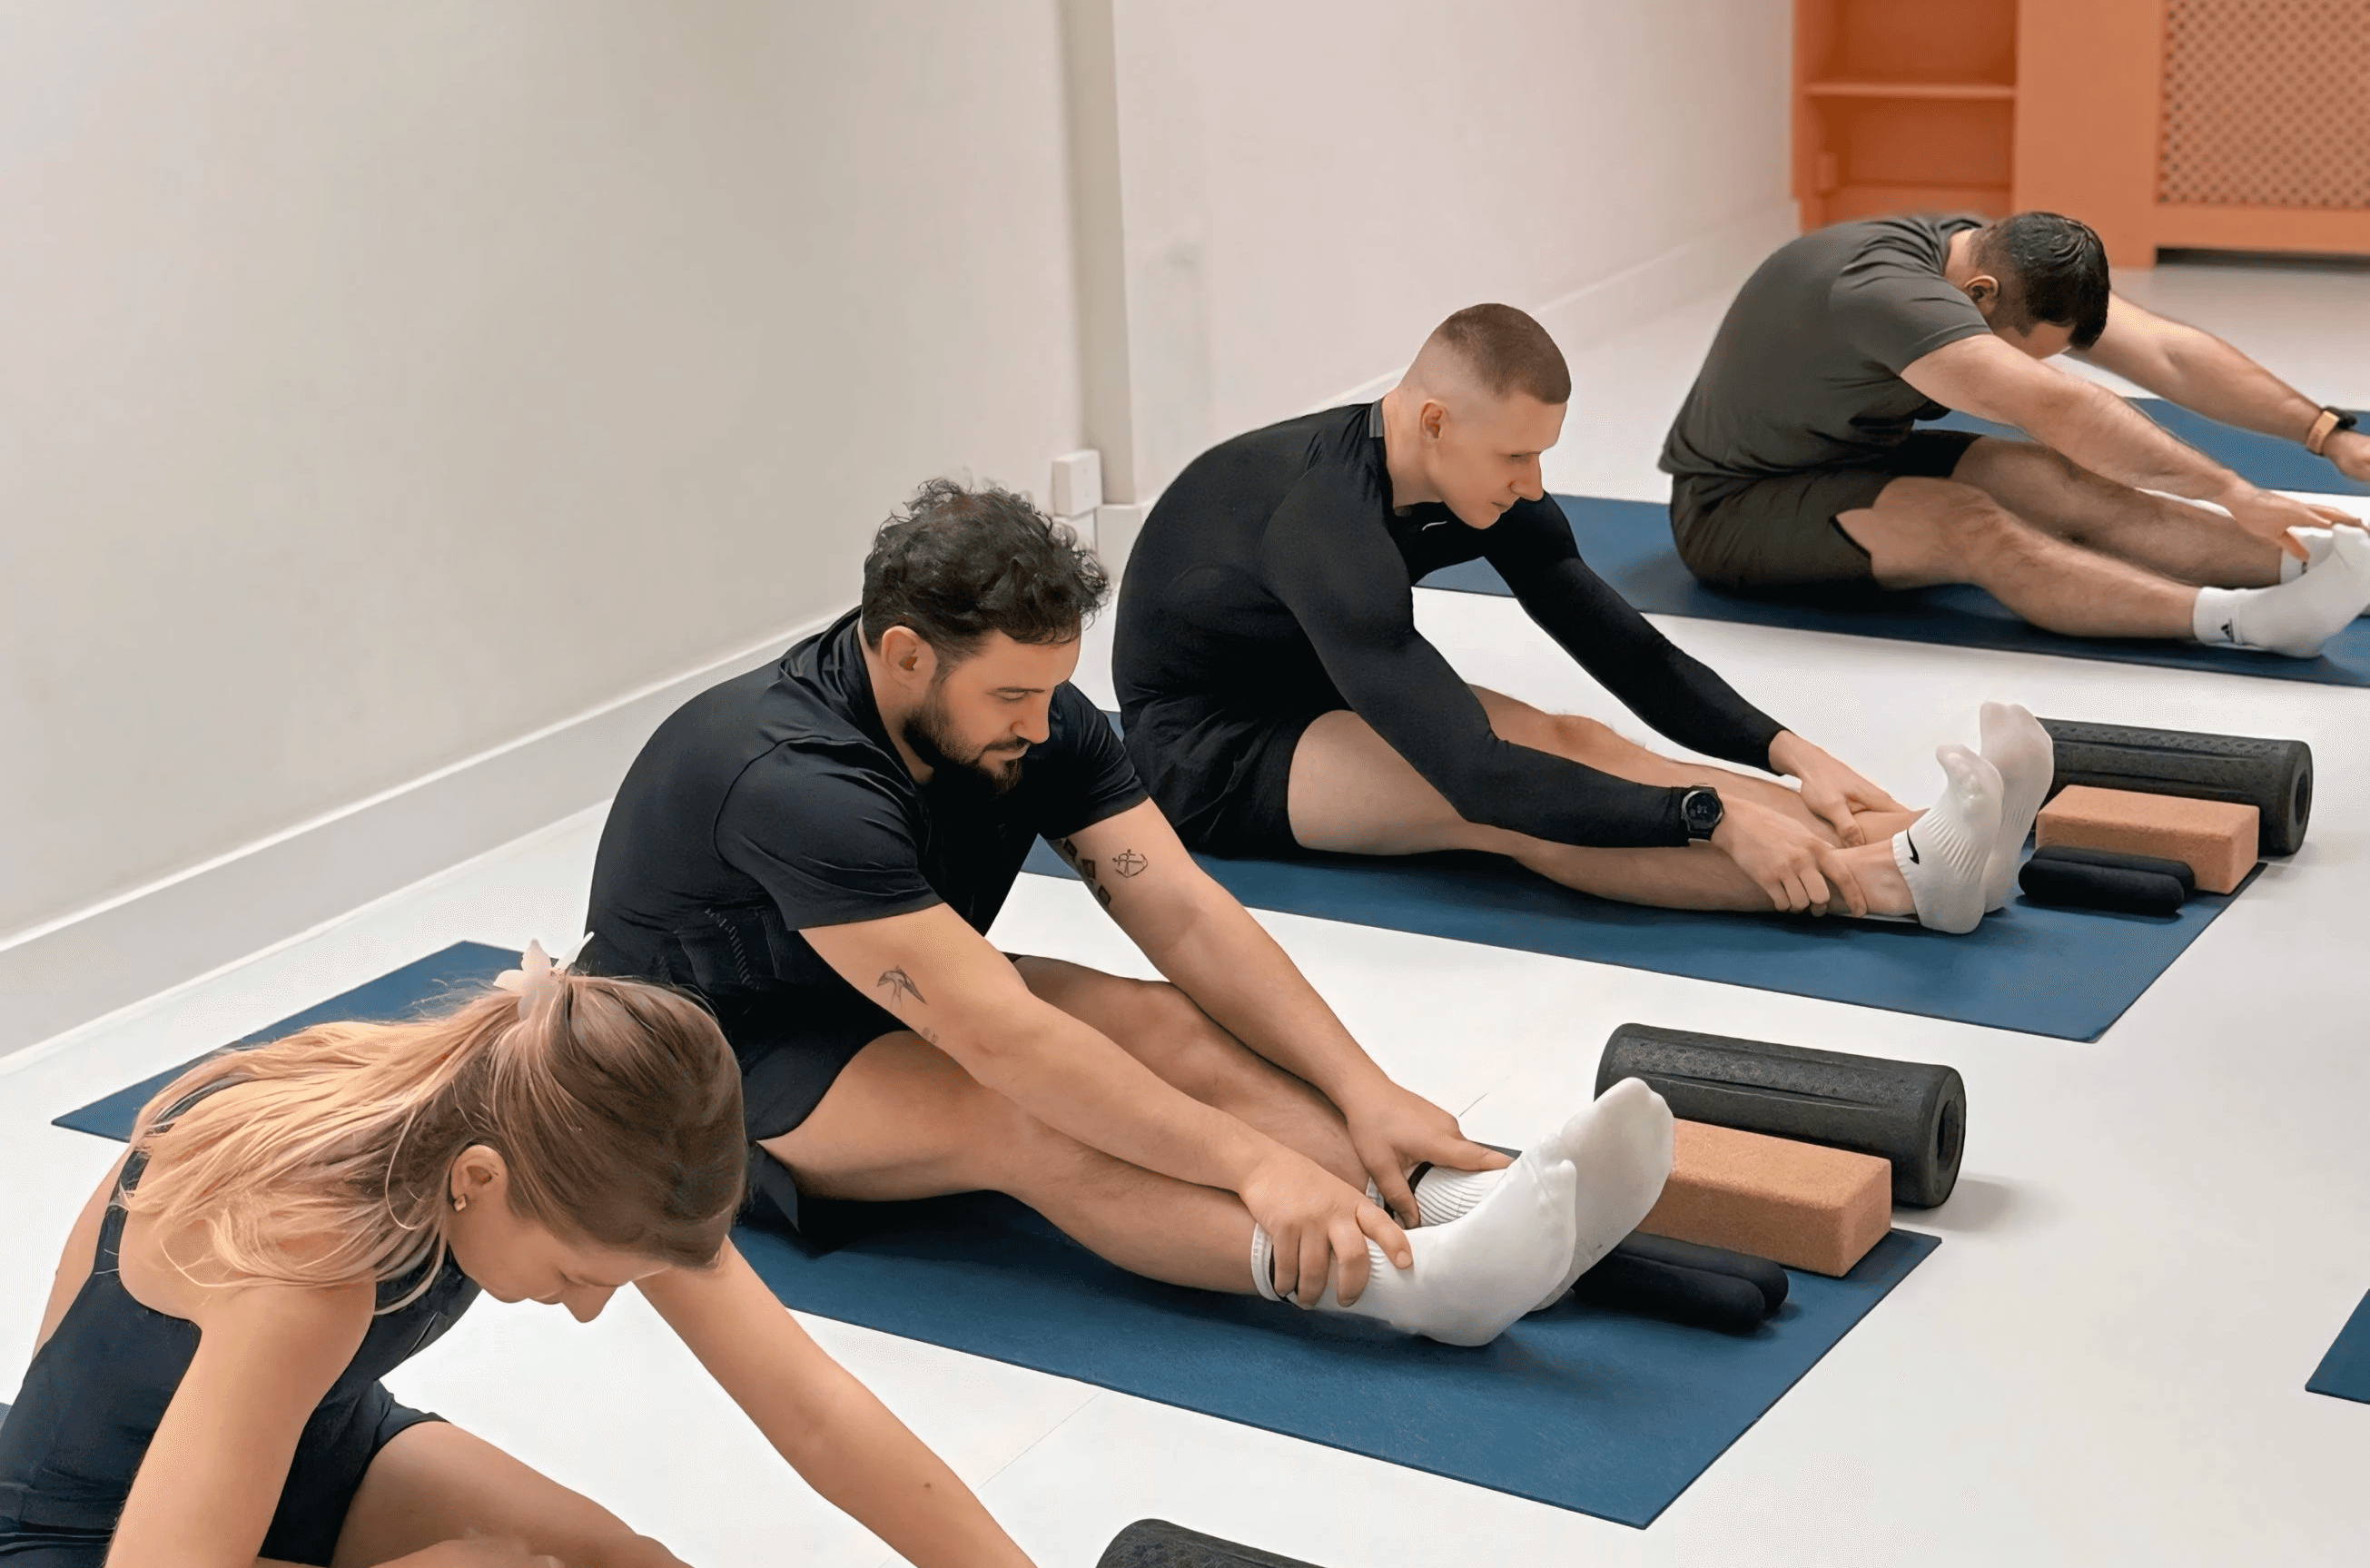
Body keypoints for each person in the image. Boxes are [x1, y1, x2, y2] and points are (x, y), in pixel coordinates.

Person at [583, 481, 1674, 1351]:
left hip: (884, 979)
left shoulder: (1035, 718)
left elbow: (1185, 914)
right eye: (1010, 696)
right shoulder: (795, 780)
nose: (1040, 722)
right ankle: (1418, 1289)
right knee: (1022, 1117)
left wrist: (1365, 1088)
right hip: (699, 1071)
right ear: (905, 653)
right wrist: (1251, 1165)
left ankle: (1455, 1202)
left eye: (1050, 687)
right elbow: (1005, 1045)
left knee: (1160, 1022)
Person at [0, 947, 1034, 1568]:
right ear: (479, 1179)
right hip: (92, 1536)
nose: (587, 1309)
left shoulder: (560, 1129)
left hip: (318, 1448)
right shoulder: (313, 1256)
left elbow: (814, 1407)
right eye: (579, 1276)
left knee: (635, 1566)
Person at [1114, 304, 2039, 936]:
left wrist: (1789, 751)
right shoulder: (1324, 520)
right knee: (1517, 818)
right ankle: (1897, 885)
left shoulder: (1469, 475)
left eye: (1541, 455)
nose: (1533, 486)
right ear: (1433, 423)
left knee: (1575, 739)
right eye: (1514, 457)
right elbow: (1480, 780)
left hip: (1318, 677)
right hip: (1216, 748)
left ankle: (1924, 834)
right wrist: (1706, 815)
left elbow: (1623, 648)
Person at [1660, 211, 2370, 650]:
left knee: (2057, 481)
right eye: (2024, 354)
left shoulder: (1987, 256)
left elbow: (2167, 354)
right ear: (1980, 299)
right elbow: (2062, 408)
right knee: (1975, 525)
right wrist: (2234, 491)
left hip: (1851, 452)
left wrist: (2325, 432)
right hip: (1736, 504)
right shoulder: (1889, 297)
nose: (2030, 368)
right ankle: (2244, 622)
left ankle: (2330, 569)